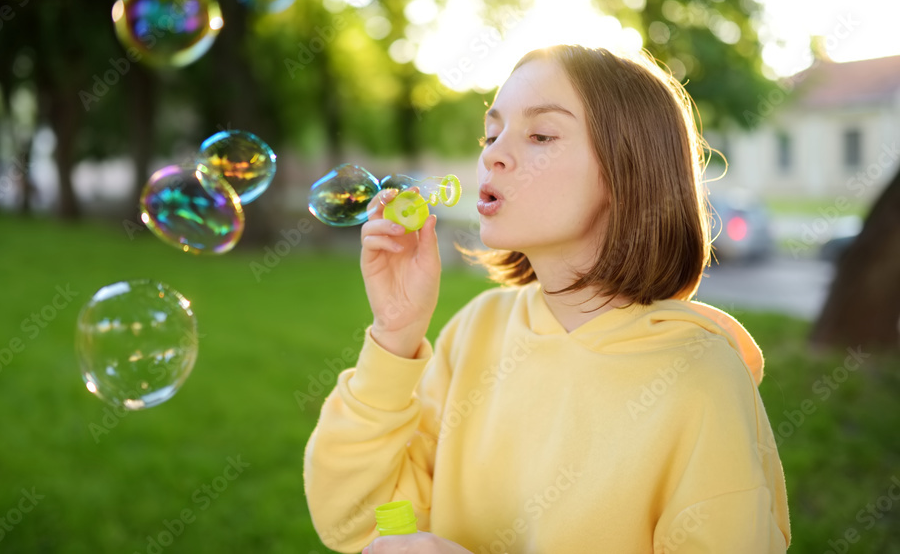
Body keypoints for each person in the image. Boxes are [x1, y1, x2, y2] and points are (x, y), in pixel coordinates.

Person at [302, 44, 791, 553]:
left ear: (628, 174)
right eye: (492, 133)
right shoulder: (477, 330)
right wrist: (396, 332)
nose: (492, 153)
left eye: (540, 135)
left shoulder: (700, 381)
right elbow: (359, 520)